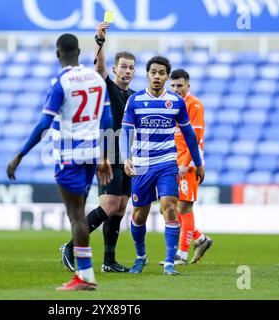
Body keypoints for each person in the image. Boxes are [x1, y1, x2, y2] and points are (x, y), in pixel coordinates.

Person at [7, 33, 113, 291]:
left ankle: (85, 277)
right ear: (78, 51)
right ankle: (85, 275)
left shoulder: (60, 82)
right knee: (79, 213)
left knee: (76, 216)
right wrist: (105, 155)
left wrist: (20, 154)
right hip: (91, 156)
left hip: (68, 157)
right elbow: (108, 120)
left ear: (58, 54)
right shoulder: (97, 79)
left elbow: (45, 124)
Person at [60, 22, 136, 273]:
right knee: (110, 205)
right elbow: (99, 67)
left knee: (120, 209)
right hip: (108, 152)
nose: (127, 71)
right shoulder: (107, 85)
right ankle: (71, 246)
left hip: (127, 157)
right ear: (115, 69)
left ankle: (109, 261)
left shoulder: (134, 96)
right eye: (123, 67)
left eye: (131, 68)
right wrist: (100, 40)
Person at [119, 56, 205, 276]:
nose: (157, 76)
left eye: (161, 73)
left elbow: (188, 134)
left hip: (167, 163)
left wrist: (198, 163)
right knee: (139, 215)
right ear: (147, 74)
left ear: (167, 76)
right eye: (153, 72)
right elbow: (125, 132)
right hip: (142, 165)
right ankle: (141, 257)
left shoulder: (176, 102)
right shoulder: (136, 100)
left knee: (170, 207)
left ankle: (169, 262)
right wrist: (124, 157)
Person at [170, 69, 212, 265]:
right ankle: (200, 239)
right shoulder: (171, 103)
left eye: (180, 85)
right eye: (173, 85)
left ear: (188, 85)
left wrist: (185, 165)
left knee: (184, 206)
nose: (176, 89)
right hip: (174, 161)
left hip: (189, 164)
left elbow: (193, 140)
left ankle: (182, 254)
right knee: (168, 207)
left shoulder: (194, 105)